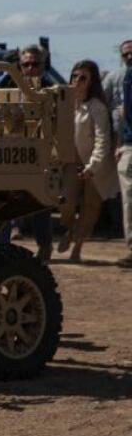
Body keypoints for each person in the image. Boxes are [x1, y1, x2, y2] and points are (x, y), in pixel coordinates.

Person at [0, 44, 55, 261]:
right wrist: (10, 73)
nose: (30, 69)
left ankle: (45, 245)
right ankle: (1, 247)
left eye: (35, 64)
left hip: (40, 152)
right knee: (3, 201)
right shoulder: (8, 84)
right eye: (25, 64)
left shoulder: (50, 88)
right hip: (10, 151)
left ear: (43, 65)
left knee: (40, 202)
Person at [57, 60, 119, 262]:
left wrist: (93, 166)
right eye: (74, 76)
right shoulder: (65, 104)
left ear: (91, 81)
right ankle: (71, 230)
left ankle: (78, 247)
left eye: (83, 77)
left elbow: (103, 139)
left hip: (94, 164)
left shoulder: (97, 107)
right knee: (65, 203)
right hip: (70, 162)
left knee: (90, 208)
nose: (77, 81)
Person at [103, 40, 132, 267]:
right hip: (127, 143)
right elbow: (109, 113)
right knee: (128, 199)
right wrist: (116, 145)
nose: (129, 57)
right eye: (126, 54)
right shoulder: (116, 79)